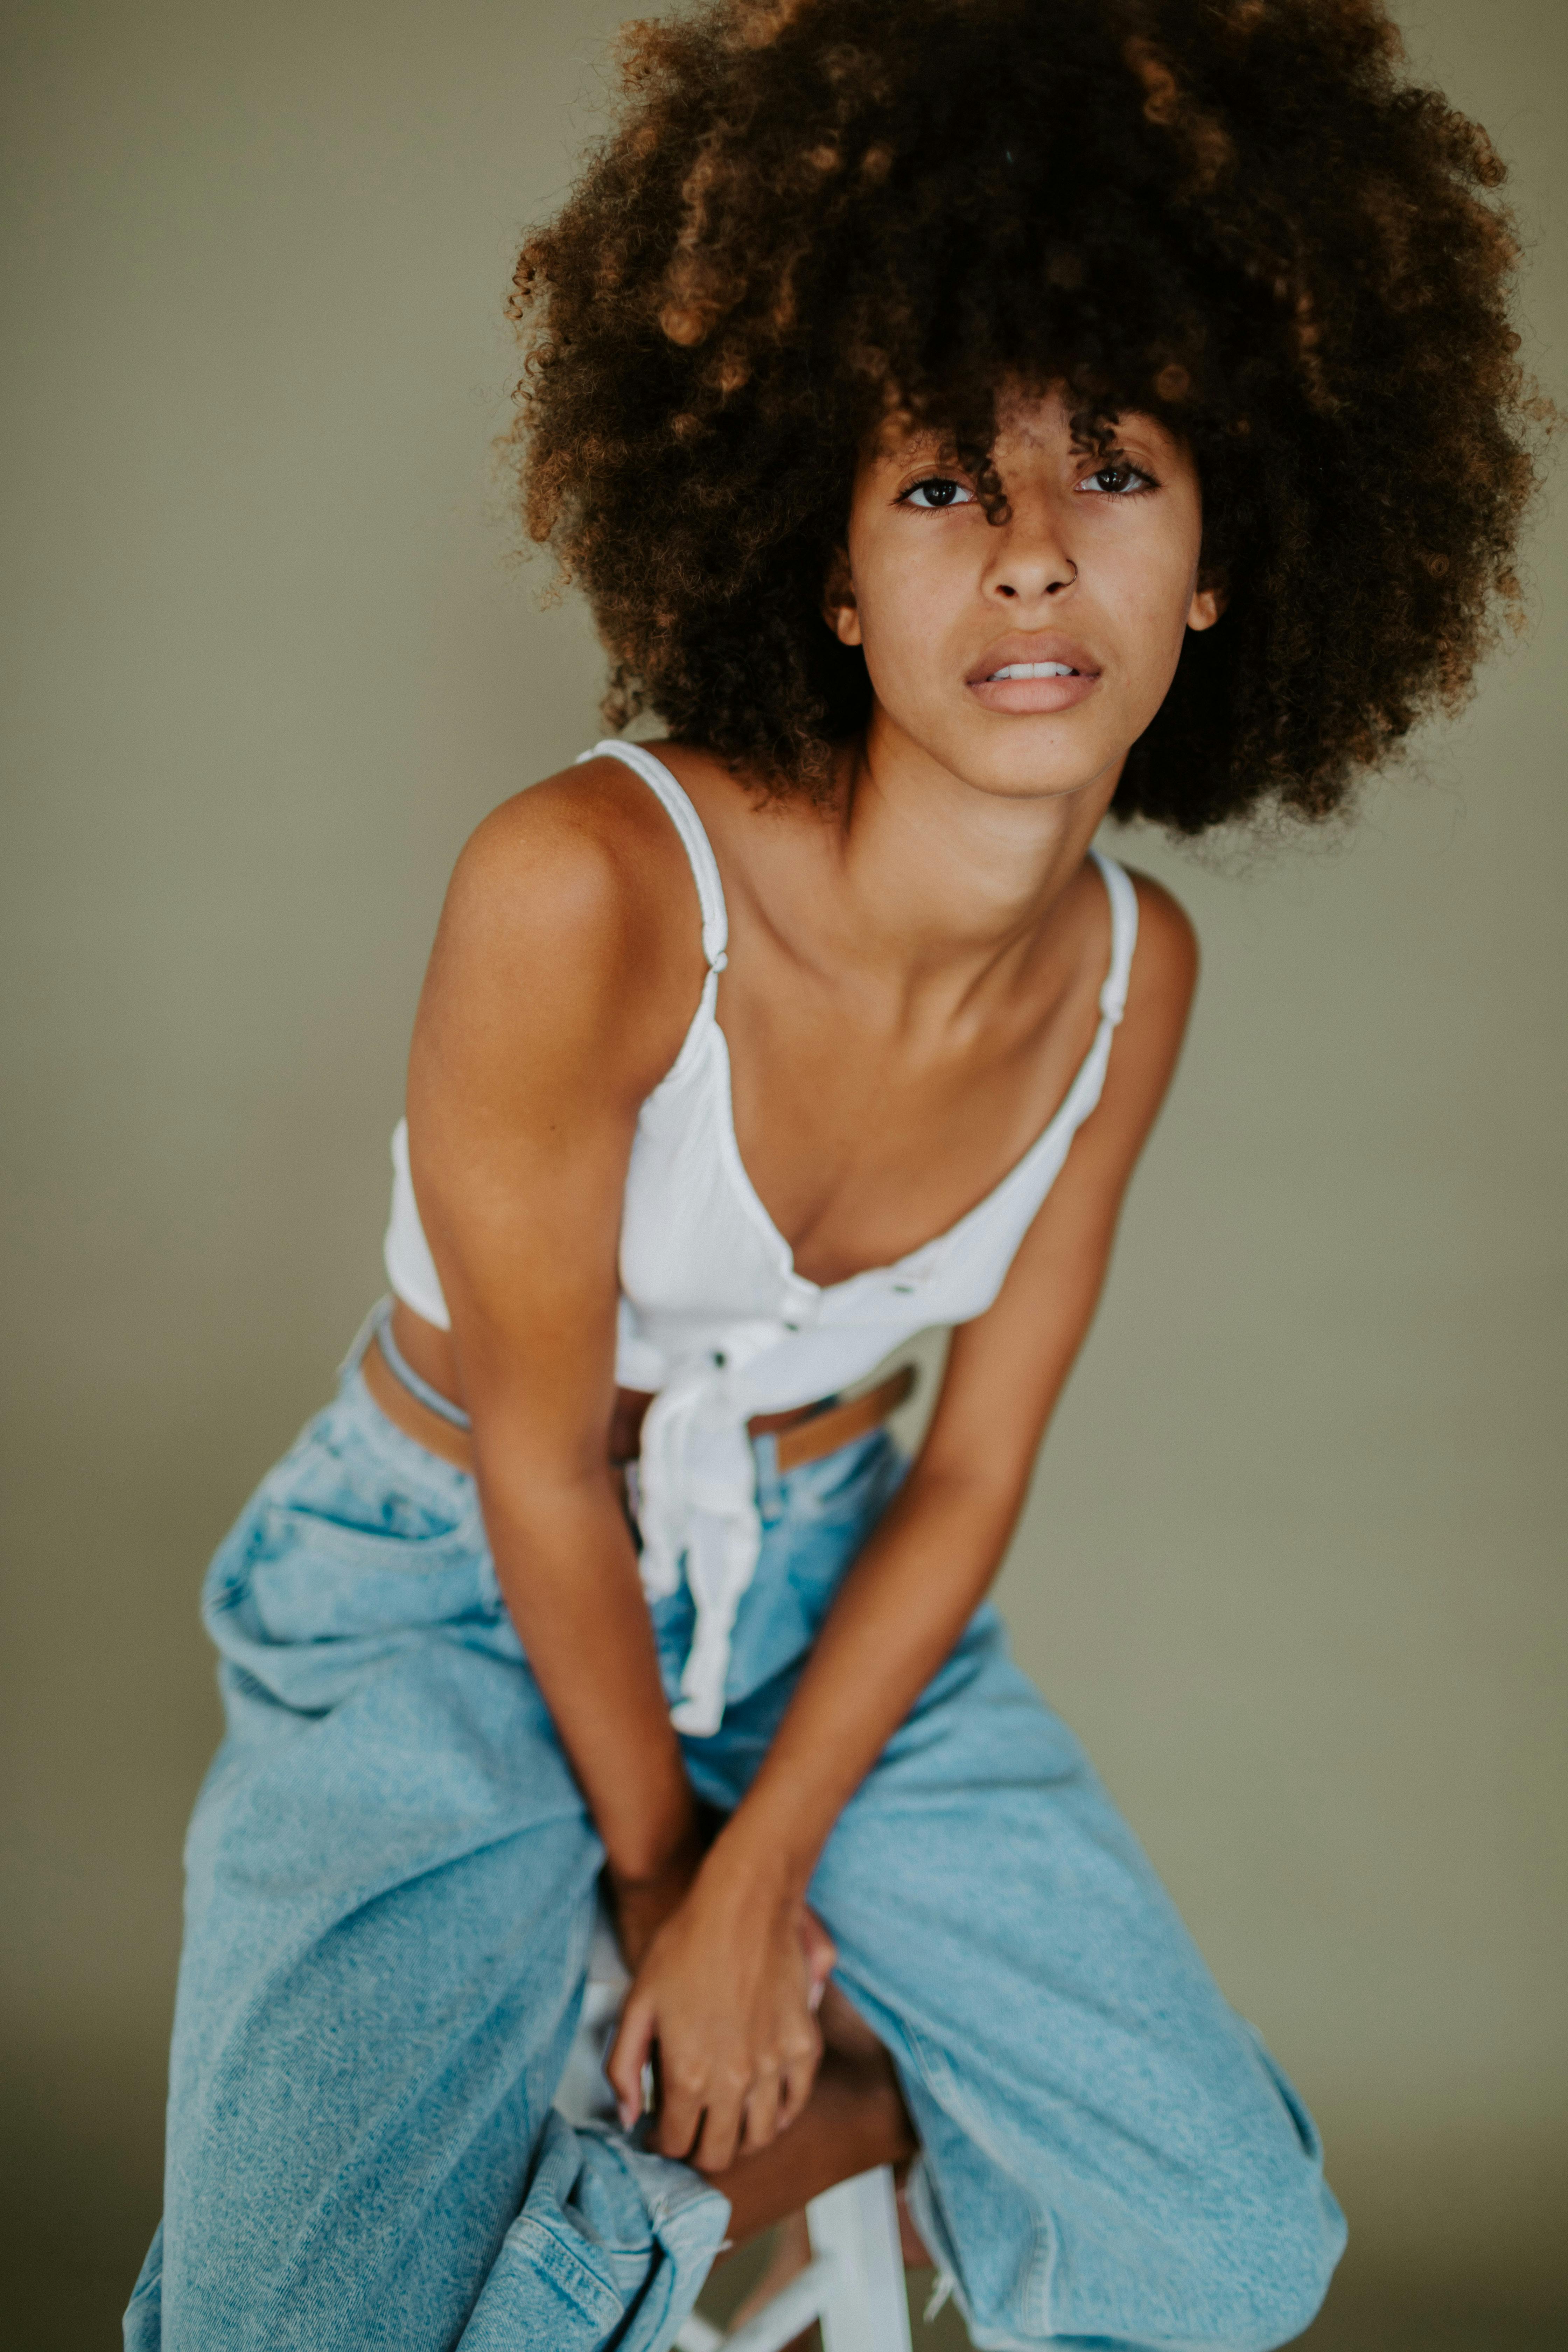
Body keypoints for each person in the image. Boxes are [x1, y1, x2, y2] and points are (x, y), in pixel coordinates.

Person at [126, 2, 1541, 2346]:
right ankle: (678, 2178)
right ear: (824, 574)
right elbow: (543, 1470)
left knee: (1230, 2255)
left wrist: (758, 1863)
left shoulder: (1133, 977)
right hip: (450, 1580)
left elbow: (968, 1474)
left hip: (830, 1615)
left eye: (1112, 468)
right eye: (938, 487)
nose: (1027, 557)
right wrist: (690, 1892)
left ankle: (803, 2109)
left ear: (1219, 563)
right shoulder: (585, 885)